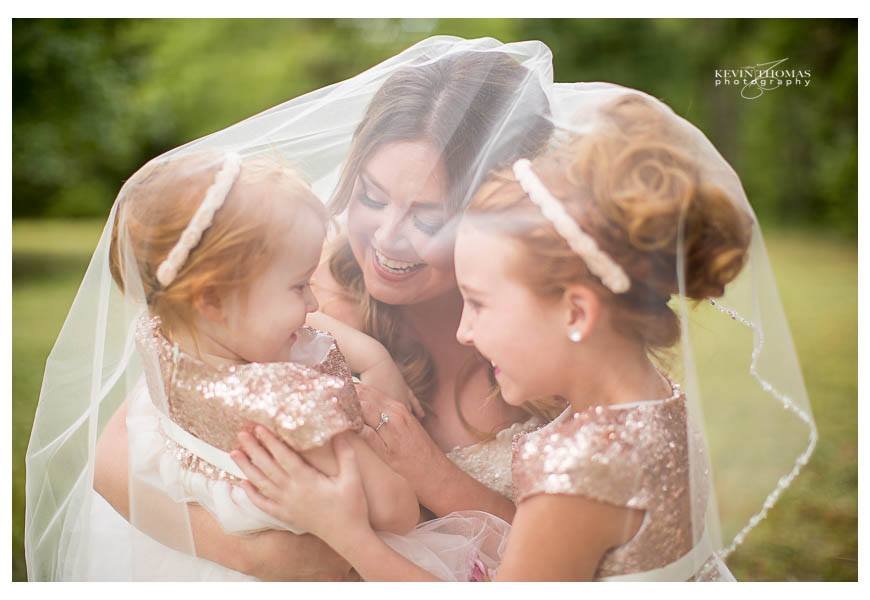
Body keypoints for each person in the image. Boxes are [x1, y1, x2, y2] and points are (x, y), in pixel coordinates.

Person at [230, 84, 818, 581]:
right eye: (372, 196)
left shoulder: (582, 470)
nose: (465, 329)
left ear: (576, 312)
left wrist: (347, 532)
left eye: (479, 303)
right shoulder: (652, 406)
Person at [25, 36, 556, 581]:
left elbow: (591, 561)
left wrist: (432, 475)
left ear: (498, 214)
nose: (387, 241)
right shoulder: (293, 281)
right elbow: (115, 461)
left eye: (428, 219)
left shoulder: (556, 333)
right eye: (371, 197)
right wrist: (257, 556)